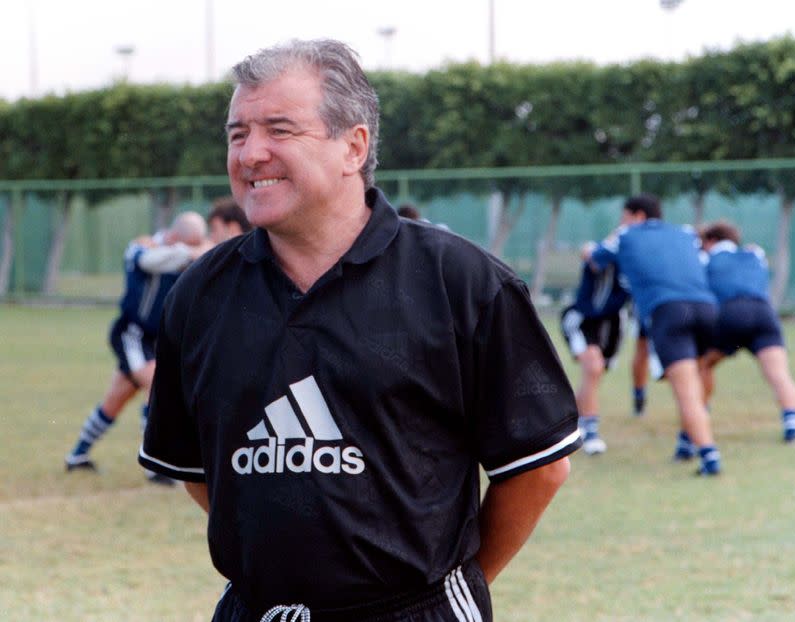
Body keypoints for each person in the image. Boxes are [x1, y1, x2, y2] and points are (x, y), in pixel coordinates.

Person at [139, 39, 581, 622]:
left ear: (354, 145)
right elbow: (202, 471)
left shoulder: (462, 282)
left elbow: (538, 467)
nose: (251, 154)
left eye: (280, 130)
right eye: (237, 133)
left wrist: (450, 583)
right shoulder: (199, 293)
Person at [65, 211, 211, 484]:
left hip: (158, 340)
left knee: (116, 399)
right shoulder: (144, 245)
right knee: (157, 388)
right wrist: (190, 251)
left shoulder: (186, 254)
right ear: (175, 236)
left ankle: (77, 455)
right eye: (189, 242)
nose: (192, 249)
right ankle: (155, 468)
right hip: (133, 334)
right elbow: (149, 261)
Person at [590, 194, 722, 476]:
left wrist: (588, 250)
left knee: (686, 390)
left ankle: (709, 454)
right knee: (703, 373)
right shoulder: (686, 233)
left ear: (637, 216)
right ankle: (689, 440)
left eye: (624, 216)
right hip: (707, 307)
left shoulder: (625, 234)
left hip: (668, 310)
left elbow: (596, 260)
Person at [698, 220, 795, 445]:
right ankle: (793, 426)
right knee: (779, 374)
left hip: (730, 313)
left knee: (703, 364)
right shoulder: (754, 255)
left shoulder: (707, 258)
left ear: (711, 241)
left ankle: (699, 414)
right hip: (764, 313)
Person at [561, 241, 630, 454]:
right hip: (583, 320)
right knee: (593, 367)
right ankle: (590, 433)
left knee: (594, 376)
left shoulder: (636, 263)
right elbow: (588, 250)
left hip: (612, 326)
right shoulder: (609, 249)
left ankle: (562, 420)